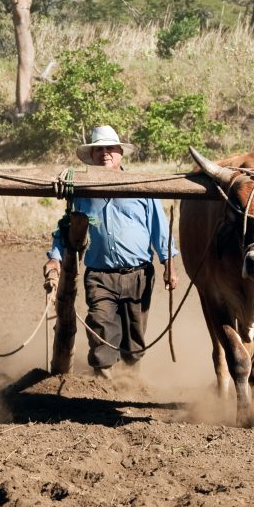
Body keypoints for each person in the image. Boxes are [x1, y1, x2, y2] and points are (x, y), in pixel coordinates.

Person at [43, 125, 179, 379]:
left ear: (120, 153)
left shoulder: (142, 187)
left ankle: (131, 379)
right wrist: (55, 257)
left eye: (110, 149)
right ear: (92, 157)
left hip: (138, 274)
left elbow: (159, 229)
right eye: (99, 150)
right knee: (101, 325)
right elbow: (66, 226)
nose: (105, 153)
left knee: (134, 338)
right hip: (99, 276)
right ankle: (103, 379)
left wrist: (169, 265)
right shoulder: (82, 191)